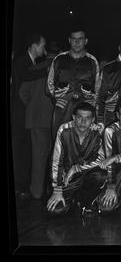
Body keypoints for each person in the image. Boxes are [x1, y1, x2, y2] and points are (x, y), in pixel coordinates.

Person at [46, 102, 107, 216]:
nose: (83, 122)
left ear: (93, 119)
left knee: (101, 175)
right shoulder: (64, 130)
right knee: (56, 211)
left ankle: (84, 202)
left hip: (86, 174)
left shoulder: (97, 132)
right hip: (66, 179)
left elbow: (101, 159)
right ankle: (74, 201)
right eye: (79, 117)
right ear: (73, 117)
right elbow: (56, 161)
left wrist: (77, 168)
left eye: (88, 118)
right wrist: (57, 190)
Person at [11, 33, 48, 201]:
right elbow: (26, 78)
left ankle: (23, 185)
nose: (44, 49)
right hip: (18, 113)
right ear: (34, 45)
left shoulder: (32, 63)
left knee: (25, 150)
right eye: (42, 46)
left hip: (25, 114)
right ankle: (19, 186)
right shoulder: (22, 62)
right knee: (19, 150)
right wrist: (46, 69)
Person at [46, 27, 100, 139]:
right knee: (60, 143)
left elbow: (98, 88)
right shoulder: (59, 59)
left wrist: (92, 100)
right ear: (69, 40)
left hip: (84, 112)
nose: (77, 42)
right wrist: (55, 97)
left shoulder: (92, 61)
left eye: (80, 39)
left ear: (86, 41)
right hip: (63, 109)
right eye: (74, 39)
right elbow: (48, 85)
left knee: (84, 145)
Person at [19, 40, 56, 200]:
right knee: (56, 158)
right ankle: (54, 191)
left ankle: (36, 192)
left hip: (36, 120)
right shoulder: (61, 69)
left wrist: (33, 107)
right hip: (55, 119)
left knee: (38, 158)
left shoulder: (33, 69)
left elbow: (22, 94)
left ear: (47, 52)